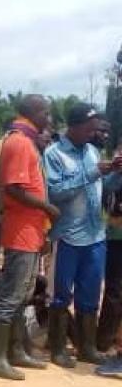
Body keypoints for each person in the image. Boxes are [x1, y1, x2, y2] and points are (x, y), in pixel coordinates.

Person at [0, 95, 60, 379]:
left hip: (30, 230)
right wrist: (46, 207)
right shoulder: (19, 142)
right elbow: (13, 189)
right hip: (20, 230)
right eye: (48, 113)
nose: (50, 120)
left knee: (23, 293)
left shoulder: (26, 141)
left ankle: (15, 351)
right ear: (35, 112)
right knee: (11, 294)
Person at [44, 103, 122, 367]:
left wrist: (114, 172)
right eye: (90, 126)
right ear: (75, 126)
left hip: (95, 235)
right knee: (60, 294)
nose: (95, 131)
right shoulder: (54, 154)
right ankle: (57, 349)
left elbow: (101, 186)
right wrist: (94, 172)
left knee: (90, 294)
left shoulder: (92, 151)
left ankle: (86, 347)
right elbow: (55, 192)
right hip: (67, 235)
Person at [97, 139, 122, 353]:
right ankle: (104, 341)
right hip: (115, 240)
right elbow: (105, 207)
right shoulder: (111, 180)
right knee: (114, 291)